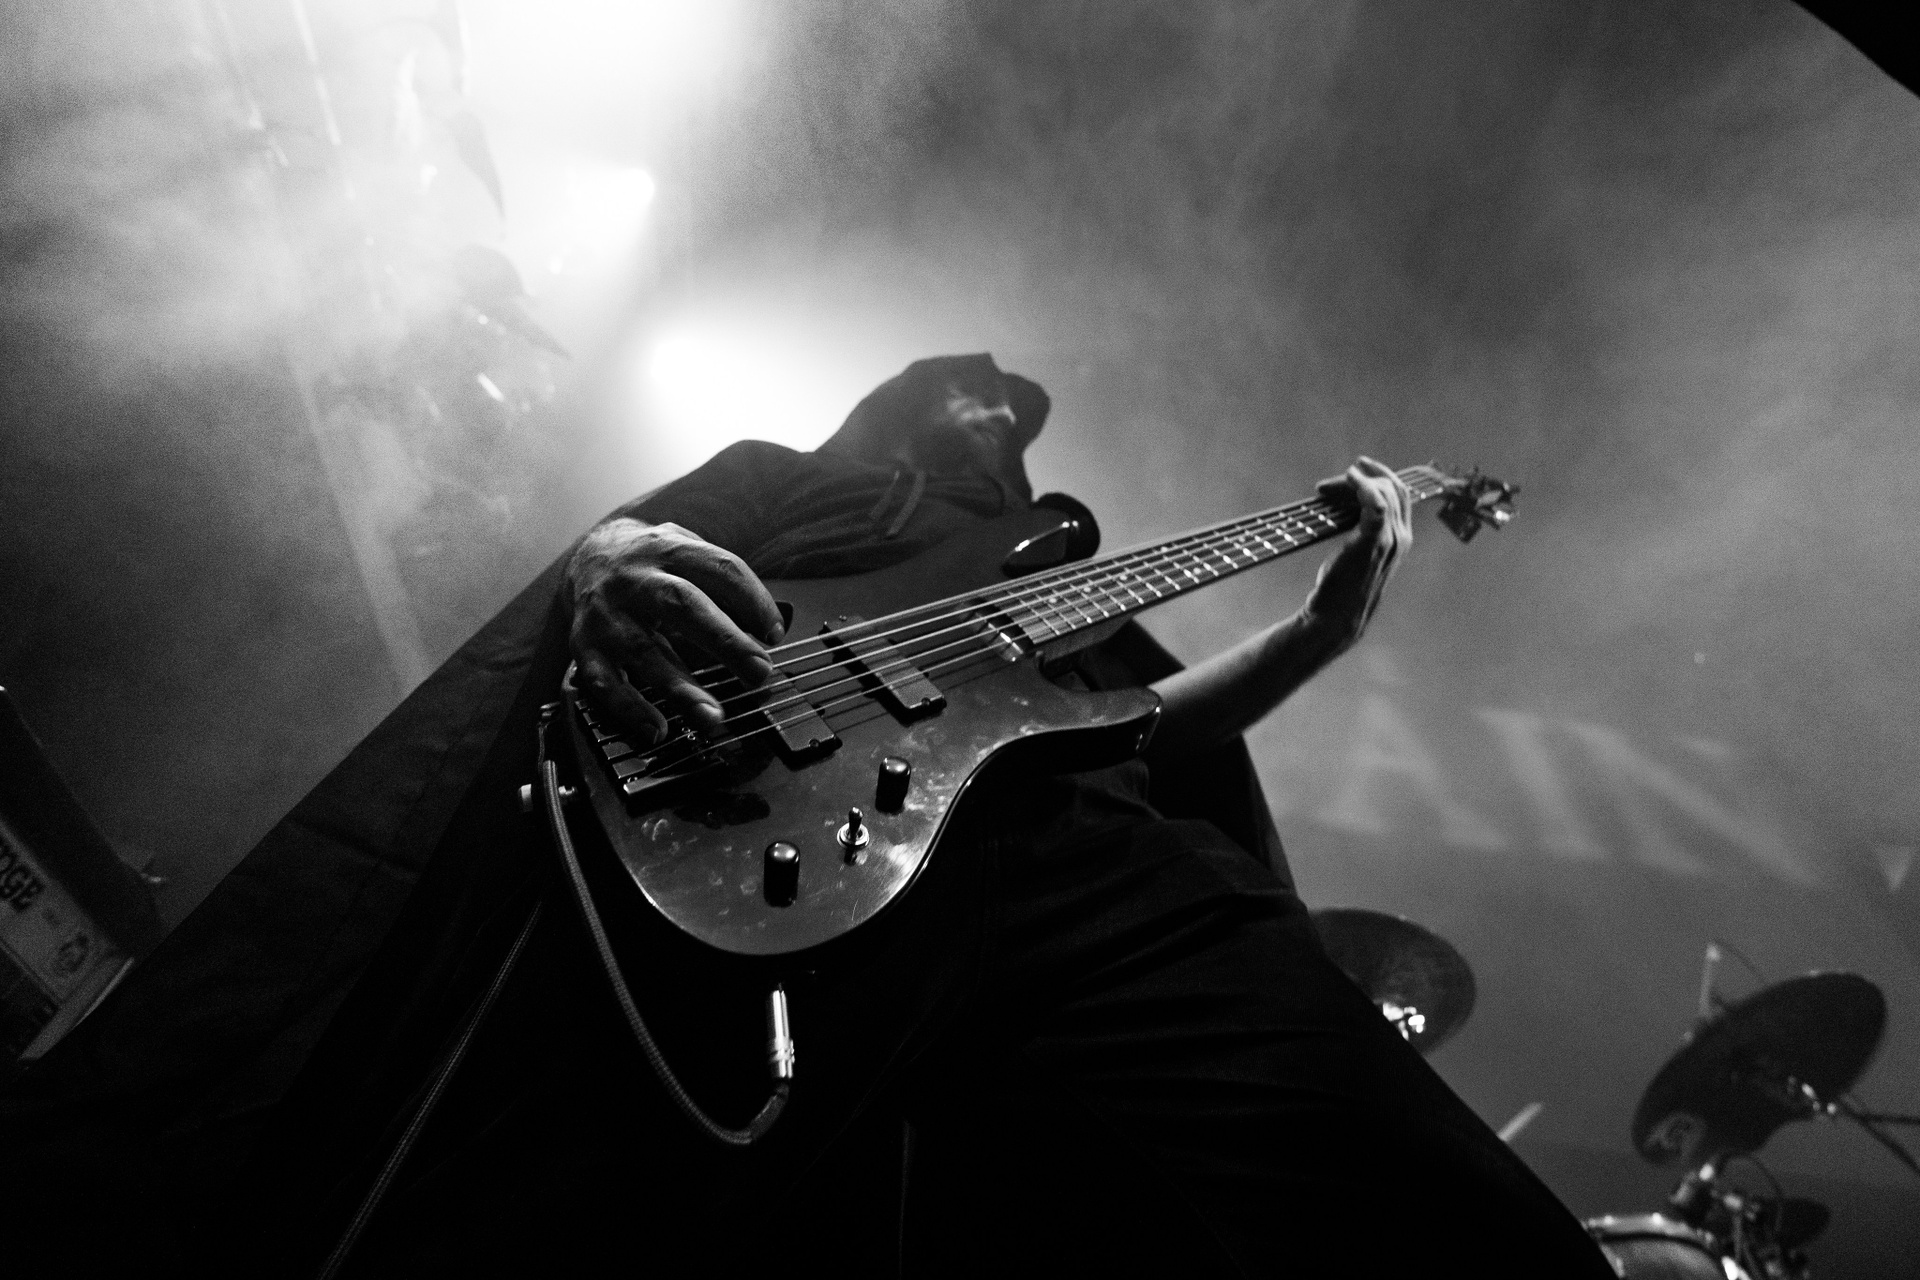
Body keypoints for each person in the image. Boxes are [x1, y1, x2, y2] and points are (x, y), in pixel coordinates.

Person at [3, 354, 1610, 1277]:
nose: (999, 417)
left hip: (1085, 869)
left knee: (1426, 1208)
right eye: (969, 395)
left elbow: (1137, 729)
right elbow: (621, 549)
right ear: (893, 407)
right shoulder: (794, 476)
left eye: (1015, 416)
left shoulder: (1069, 579)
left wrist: (1320, 632)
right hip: (754, 845)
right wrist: (612, 562)